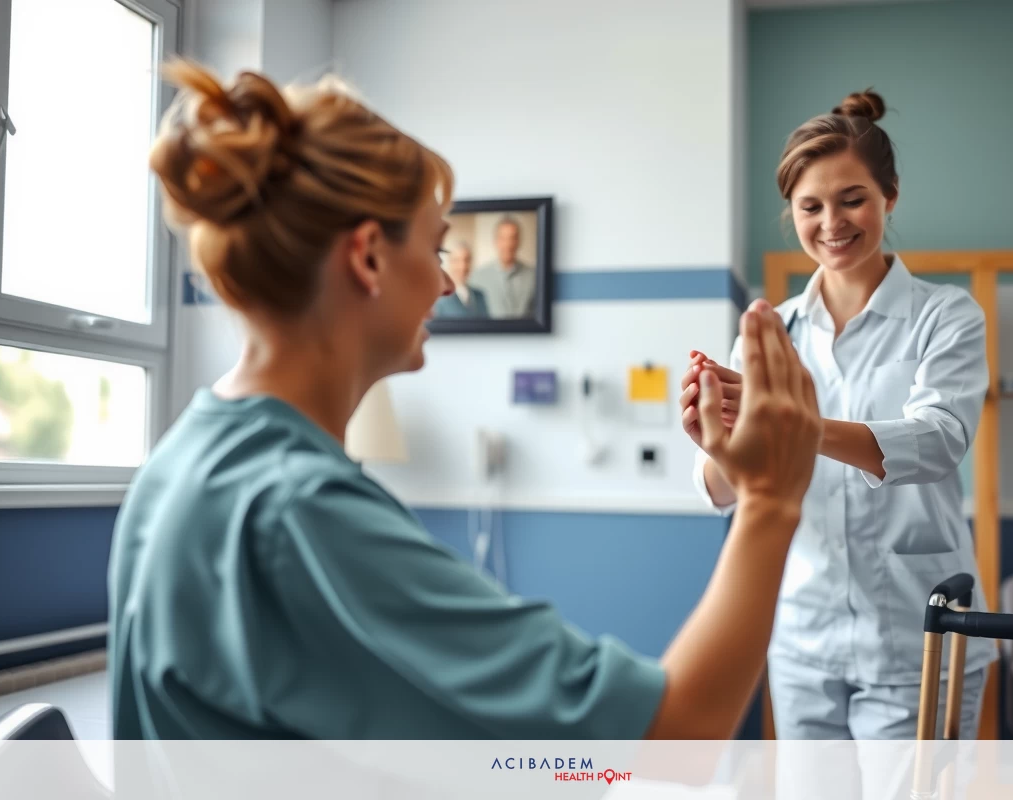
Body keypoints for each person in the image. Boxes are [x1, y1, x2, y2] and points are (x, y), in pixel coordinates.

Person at [106, 59, 824, 741]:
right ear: (367, 257)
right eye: (436, 247)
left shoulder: (183, 461)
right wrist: (770, 498)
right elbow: (672, 737)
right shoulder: (301, 513)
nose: (447, 285)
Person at [682, 89, 997, 740]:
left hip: (919, 640)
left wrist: (795, 423)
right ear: (791, 212)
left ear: (890, 196)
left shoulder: (947, 316)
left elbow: (937, 443)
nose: (832, 222)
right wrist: (717, 444)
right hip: (802, 641)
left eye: (852, 197)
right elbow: (723, 488)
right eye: (811, 206)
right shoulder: (770, 331)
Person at [467, 216, 535, 318]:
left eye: (512, 238)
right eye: (503, 238)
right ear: (496, 241)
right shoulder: (477, 277)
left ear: (519, 241)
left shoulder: (533, 276)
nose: (508, 244)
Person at [432, 242, 490, 318]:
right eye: (457, 260)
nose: (463, 266)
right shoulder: (440, 297)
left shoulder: (480, 295)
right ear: (450, 263)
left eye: (467, 260)